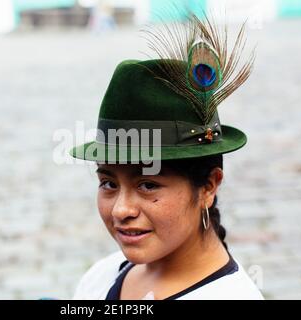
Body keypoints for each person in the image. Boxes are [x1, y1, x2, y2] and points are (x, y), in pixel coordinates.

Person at [69, 12, 263, 300]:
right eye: (108, 183)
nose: (121, 210)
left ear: (209, 186)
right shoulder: (101, 277)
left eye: (147, 184)